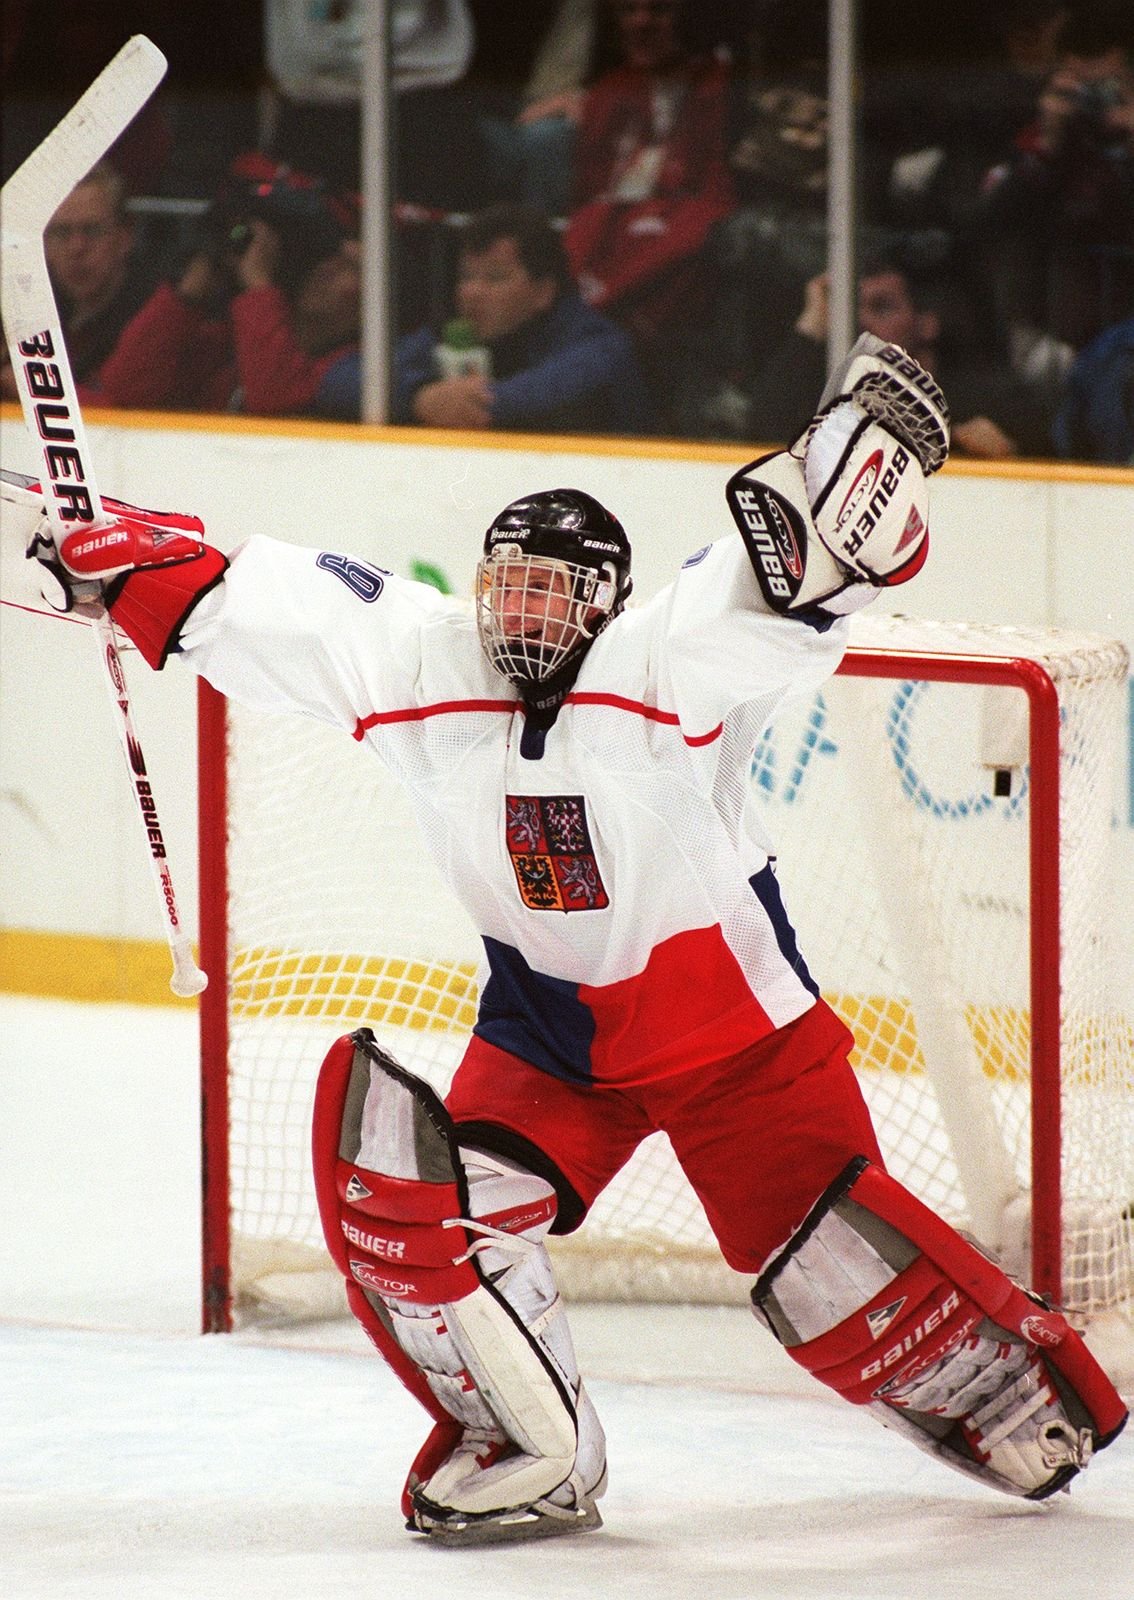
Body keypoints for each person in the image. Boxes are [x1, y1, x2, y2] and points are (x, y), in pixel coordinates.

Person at [8, 336, 1126, 1542]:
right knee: (416, 1216)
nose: (524, 610)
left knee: (820, 1274)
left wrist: (831, 508)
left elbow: (772, 591)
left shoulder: (660, 664)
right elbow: (286, 611)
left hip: (736, 1049)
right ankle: (533, 1445)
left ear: (603, 601)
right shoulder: (429, 665)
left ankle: (1014, 1389)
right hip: (549, 1042)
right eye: (510, 584)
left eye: (555, 589)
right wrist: (127, 568)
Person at [90, 163, 362, 419]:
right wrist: (190, 290)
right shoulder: (231, 345)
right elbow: (123, 390)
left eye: (349, 266)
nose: (324, 270)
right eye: (322, 259)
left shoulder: (360, 368)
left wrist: (258, 285)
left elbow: (273, 399)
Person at [973, 3, 1134, 409]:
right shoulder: (1041, 145)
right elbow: (986, 228)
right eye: (1081, 91)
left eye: (1109, 91)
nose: (1096, 106)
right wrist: (1049, 144)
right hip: (1058, 347)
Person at [383, 204, 654, 433]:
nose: (471, 292)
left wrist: (450, 403)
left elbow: (540, 396)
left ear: (544, 292)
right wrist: (419, 396)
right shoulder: (453, 329)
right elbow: (351, 374)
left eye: (495, 278)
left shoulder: (599, 345)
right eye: (466, 277)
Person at [745, 259, 1053, 458]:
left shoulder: (989, 397)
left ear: (926, 323)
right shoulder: (832, 399)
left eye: (882, 308)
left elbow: (1055, 466)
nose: (860, 321)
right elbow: (761, 436)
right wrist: (812, 325)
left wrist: (1009, 457)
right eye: (854, 307)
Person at [563, 0, 735, 350]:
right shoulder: (609, 90)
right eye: (628, 10)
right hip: (612, 223)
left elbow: (715, 185)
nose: (641, 22)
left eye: (658, 10)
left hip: (685, 221)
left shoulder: (721, 84)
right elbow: (589, 188)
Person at [0, 163, 154, 404]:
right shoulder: (25, 318)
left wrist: (34, 388)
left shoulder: (153, 321)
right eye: (61, 232)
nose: (76, 248)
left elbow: (126, 421)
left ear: (124, 237)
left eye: (91, 231)